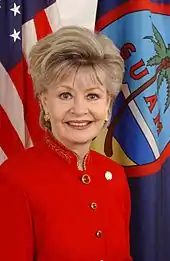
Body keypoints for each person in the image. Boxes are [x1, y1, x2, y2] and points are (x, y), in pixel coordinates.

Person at [0, 26, 132, 261]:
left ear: (108, 105)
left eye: (92, 96)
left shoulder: (115, 175)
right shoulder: (14, 178)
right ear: (45, 103)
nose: (80, 110)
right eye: (65, 95)